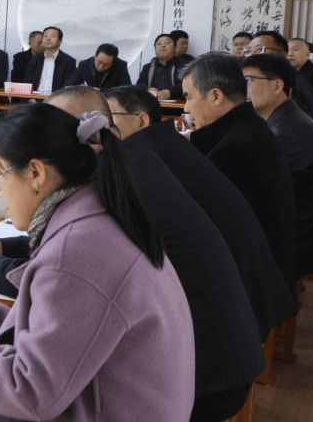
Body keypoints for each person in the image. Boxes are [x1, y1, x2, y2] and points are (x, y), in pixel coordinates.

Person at [0, 88, 262, 422]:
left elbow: (34, 383)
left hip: (192, 387)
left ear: (37, 171)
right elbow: (61, 301)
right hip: (192, 370)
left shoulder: (91, 227)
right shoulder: (108, 188)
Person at [0, 103, 194, 422]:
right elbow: (60, 337)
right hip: (125, 420)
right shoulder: (97, 215)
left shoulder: (77, 250)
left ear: (36, 173)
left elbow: (30, 390)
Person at [104, 85, 297, 340]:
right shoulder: (169, 146)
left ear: (141, 120)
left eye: (109, 119)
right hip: (250, 290)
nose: (102, 130)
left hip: (232, 311)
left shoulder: (141, 162)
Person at [183, 53, 298, 292]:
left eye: (189, 97)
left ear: (216, 96)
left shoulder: (235, 150)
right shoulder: (249, 127)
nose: (186, 108)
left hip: (251, 282)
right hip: (263, 267)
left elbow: (206, 223)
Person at [243, 54, 313, 276]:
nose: (241, 89)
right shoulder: (285, 118)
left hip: (301, 235)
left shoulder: (288, 132)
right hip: (301, 224)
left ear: (277, 85)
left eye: (249, 81)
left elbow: (267, 194)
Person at [250, 30, 313, 150]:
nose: (251, 56)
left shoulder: (298, 83)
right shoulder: (290, 77)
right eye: (248, 51)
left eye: (258, 50)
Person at [25, 26, 75, 95]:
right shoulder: (35, 59)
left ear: (60, 41)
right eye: (45, 36)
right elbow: (27, 82)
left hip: (56, 98)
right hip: (35, 98)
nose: (48, 38)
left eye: (53, 36)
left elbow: (67, 87)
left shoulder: (68, 61)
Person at [137, 33, 185, 99]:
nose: (163, 46)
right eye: (159, 44)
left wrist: (170, 92)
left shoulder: (183, 66)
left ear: (174, 48)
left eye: (167, 43)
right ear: (155, 50)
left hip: (176, 104)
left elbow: (187, 86)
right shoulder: (147, 67)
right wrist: (147, 89)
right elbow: (138, 87)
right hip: (152, 103)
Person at [65, 42, 131, 89]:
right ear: (95, 56)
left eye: (107, 64)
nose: (101, 67)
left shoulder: (121, 66)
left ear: (113, 63)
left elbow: (127, 89)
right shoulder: (84, 65)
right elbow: (69, 86)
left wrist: (102, 91)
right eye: (99, 62)